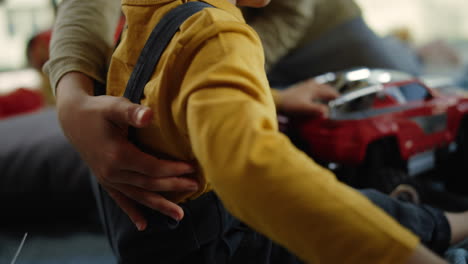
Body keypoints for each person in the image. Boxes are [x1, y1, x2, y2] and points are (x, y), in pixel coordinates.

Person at [49, 0, 460, 263]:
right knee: (360, 204)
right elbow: (257, 172)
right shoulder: (217, 38)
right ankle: (454, 225)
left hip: (148, 248)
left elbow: (175, 87)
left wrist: (262, 93)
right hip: (224, 248)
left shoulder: (142, 17)